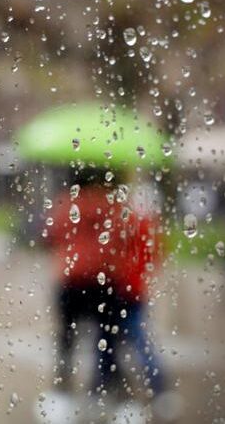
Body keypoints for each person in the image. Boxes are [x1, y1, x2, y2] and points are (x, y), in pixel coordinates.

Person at [46, 167, 166, 400]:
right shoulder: (115, 207)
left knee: (67, 337)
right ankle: (102, 386)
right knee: (104, 338)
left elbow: (50, 234)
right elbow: (129, 236)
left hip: (70, 279)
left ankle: (63, 385)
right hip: (103, 282)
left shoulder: (66, 204)